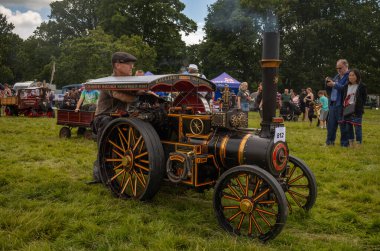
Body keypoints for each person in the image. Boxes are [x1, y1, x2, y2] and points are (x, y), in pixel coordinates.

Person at [91, 52, 141, 183]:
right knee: (108, 123)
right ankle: (102, 171)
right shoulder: (109, 81)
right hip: (103, 118)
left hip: (120, 118)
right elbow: (120, 95)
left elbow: (139, 91)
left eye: (132, 64)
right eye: (129, 64)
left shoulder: (131, 82)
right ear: (118, 65)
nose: (132, 67)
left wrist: (151, 95)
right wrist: (139, 98)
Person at [325, 59, 350, 146]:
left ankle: (344, 144)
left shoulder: (350, 76)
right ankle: (329, 142)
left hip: (342, 104)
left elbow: (345, 89)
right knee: (331, 125)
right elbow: (330, 90)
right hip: (332, 103)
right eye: (337, 68)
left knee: (343, 125)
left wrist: (334, 84)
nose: (338, 70)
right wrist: (327, 83)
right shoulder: (337, 76)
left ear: (346, 66)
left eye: (340, 68)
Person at [342, 69, 367, 146]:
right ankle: (351, 143)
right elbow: (344, 96)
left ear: (357, 76)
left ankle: (358, 144)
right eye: (350, 75)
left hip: (357, 110)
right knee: (348, 127)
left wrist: (359, 106)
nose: (351, 77)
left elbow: (364, 98)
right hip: (347, 109)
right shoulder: (346, 86)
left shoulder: (362, 86)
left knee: (357, 127)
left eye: (353, 75)